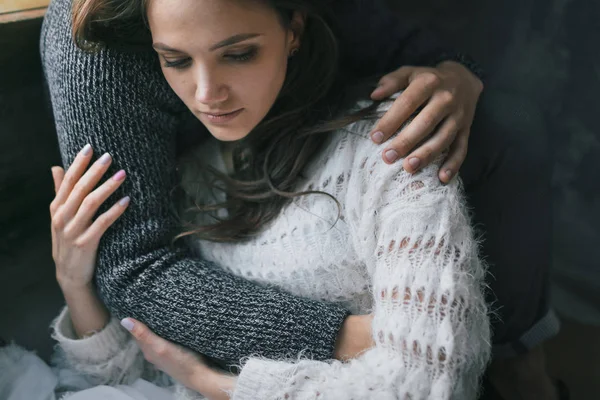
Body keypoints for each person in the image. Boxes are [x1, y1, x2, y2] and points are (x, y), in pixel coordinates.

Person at [41, 0, 560, 398]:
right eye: (173, 60)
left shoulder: (380, 156)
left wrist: (457, 75)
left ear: (294, 33)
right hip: (208, 215)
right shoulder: (94, 42)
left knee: (511, 127)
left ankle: (519, 358)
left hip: (318, 158)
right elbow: (133, 280)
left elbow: (428, 378)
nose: (205, 93)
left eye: (239, 53)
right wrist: (349, 337)